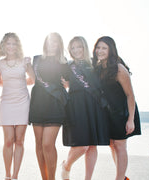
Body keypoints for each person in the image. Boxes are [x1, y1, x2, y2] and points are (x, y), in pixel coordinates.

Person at [92, 36, 141, 180]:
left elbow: (130, 95)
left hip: (123, 113)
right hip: (109, 113)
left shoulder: (119, 68)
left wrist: (130, 119)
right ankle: (123, 177)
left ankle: (119, 178)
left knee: (120, 146)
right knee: (112, 145)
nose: (100, 51)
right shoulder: (99, 68)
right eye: (98, 47)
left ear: (110, 50)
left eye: (104, 48)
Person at [61, 36, 110, 180]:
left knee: (92, 145)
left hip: (94, 106)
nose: (76, 50)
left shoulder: (95, 64)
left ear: (85, 47)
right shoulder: (68, 65)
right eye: (73, 47)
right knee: (81, 145)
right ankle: (66, 165)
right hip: (76, 105)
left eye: (79, 47)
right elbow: (64, 83)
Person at [29, 32, 69, 180]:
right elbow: (33, 79)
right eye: (51, 41)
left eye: (56, 42)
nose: (53, 44)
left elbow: (69, 83)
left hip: (55, 104)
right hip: (38, 103)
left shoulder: (64, 61)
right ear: (46, 43)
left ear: (60, 44)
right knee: (38, 145)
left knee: (47, 144)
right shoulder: (37, 59)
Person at [0, 33, 35, 180]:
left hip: (23, 102)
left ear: (17, 46)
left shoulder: (24, 61)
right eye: (8, 43)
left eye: (13, 44)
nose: (11, 46)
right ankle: (7, 174)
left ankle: (15, 176)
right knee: (8, 140)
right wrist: (11, 85)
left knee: (19, 140)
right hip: (6, 102)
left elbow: (34, 79)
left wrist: (21, 84)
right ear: (3, 46)